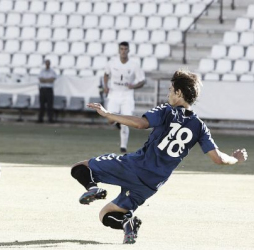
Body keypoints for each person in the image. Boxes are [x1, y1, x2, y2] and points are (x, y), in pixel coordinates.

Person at [71, 69, 248, 244]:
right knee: (105, 214)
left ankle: (92, 188)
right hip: (152, 183)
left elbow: (141, 124)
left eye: (171, 90)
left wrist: (108, 114)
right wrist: (236, 159)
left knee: (80, 167)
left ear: (179, 93)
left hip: (135, 166)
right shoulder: (200, 127)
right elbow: (219, 159)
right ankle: (127, 222)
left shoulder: (167, 111)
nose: (169, 94)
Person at [104, 41, 145, 153]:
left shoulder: (134, 65)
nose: (123, 51)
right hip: (114, 94)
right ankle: (117, 121)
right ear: (118, 50)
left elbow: (142, 81)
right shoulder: (112, 63)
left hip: (127, 95)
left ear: (128, 50)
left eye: (125, 49)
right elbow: (106, 74)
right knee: (110, 120)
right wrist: (105, 86)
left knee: (126, 121)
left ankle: (123, 146)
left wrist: (134, 86)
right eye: (121, 49)